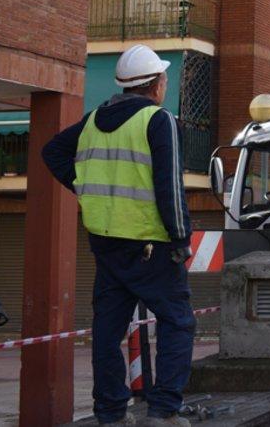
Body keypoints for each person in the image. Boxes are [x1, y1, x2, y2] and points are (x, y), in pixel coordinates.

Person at [42, 44, 194, 426]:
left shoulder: (94, 120)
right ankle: (163, 411)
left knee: (108, 331)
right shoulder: (159, 121)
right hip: (152, 244)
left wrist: (84, 188)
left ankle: (110, 413)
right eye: (163, 78)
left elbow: (52, 152)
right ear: (157, 84)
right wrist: (180, 238)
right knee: (178, 322)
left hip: (106, 243)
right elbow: (169, 187)